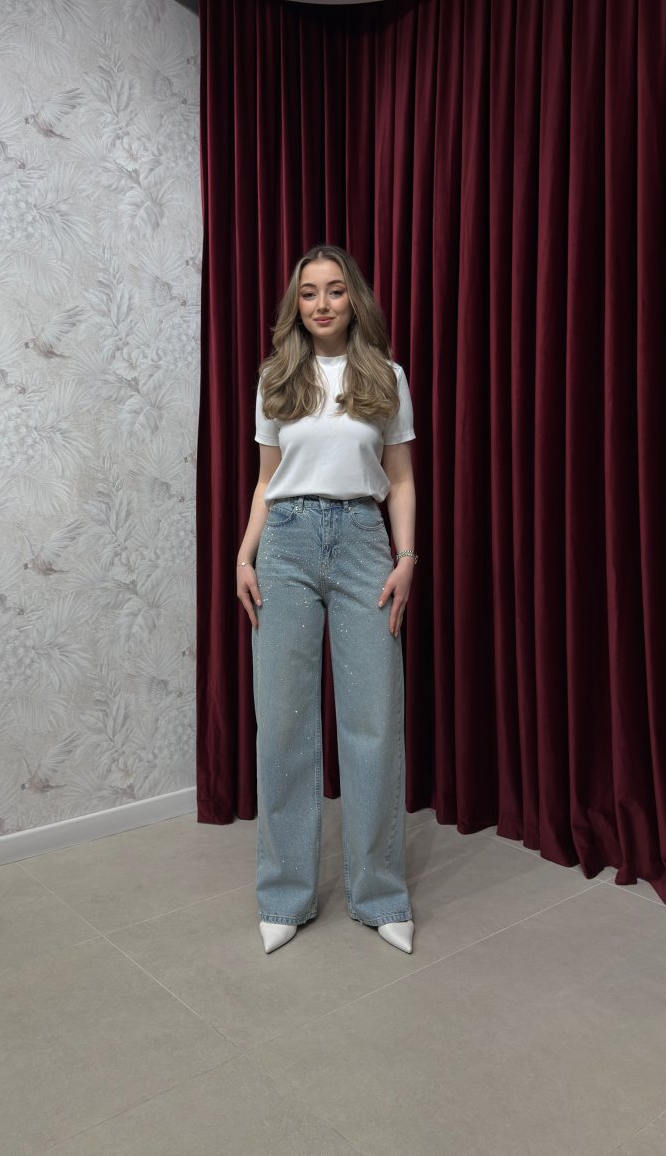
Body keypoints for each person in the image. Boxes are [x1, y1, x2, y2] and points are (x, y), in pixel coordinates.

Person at [235, 244, 418, 955]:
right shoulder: (277, 378)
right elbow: (265, 480)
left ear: (353, 299)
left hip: (364, 544)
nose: (321, 303)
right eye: (309, 292)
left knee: (373, 720)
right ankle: (285, 895)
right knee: (282, 723)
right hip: (285, 544)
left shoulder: (386, 377)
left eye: (335, 290)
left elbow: (399, 479)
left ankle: (380, 894)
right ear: (296, 304)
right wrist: (244, 553)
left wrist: (406, 558)